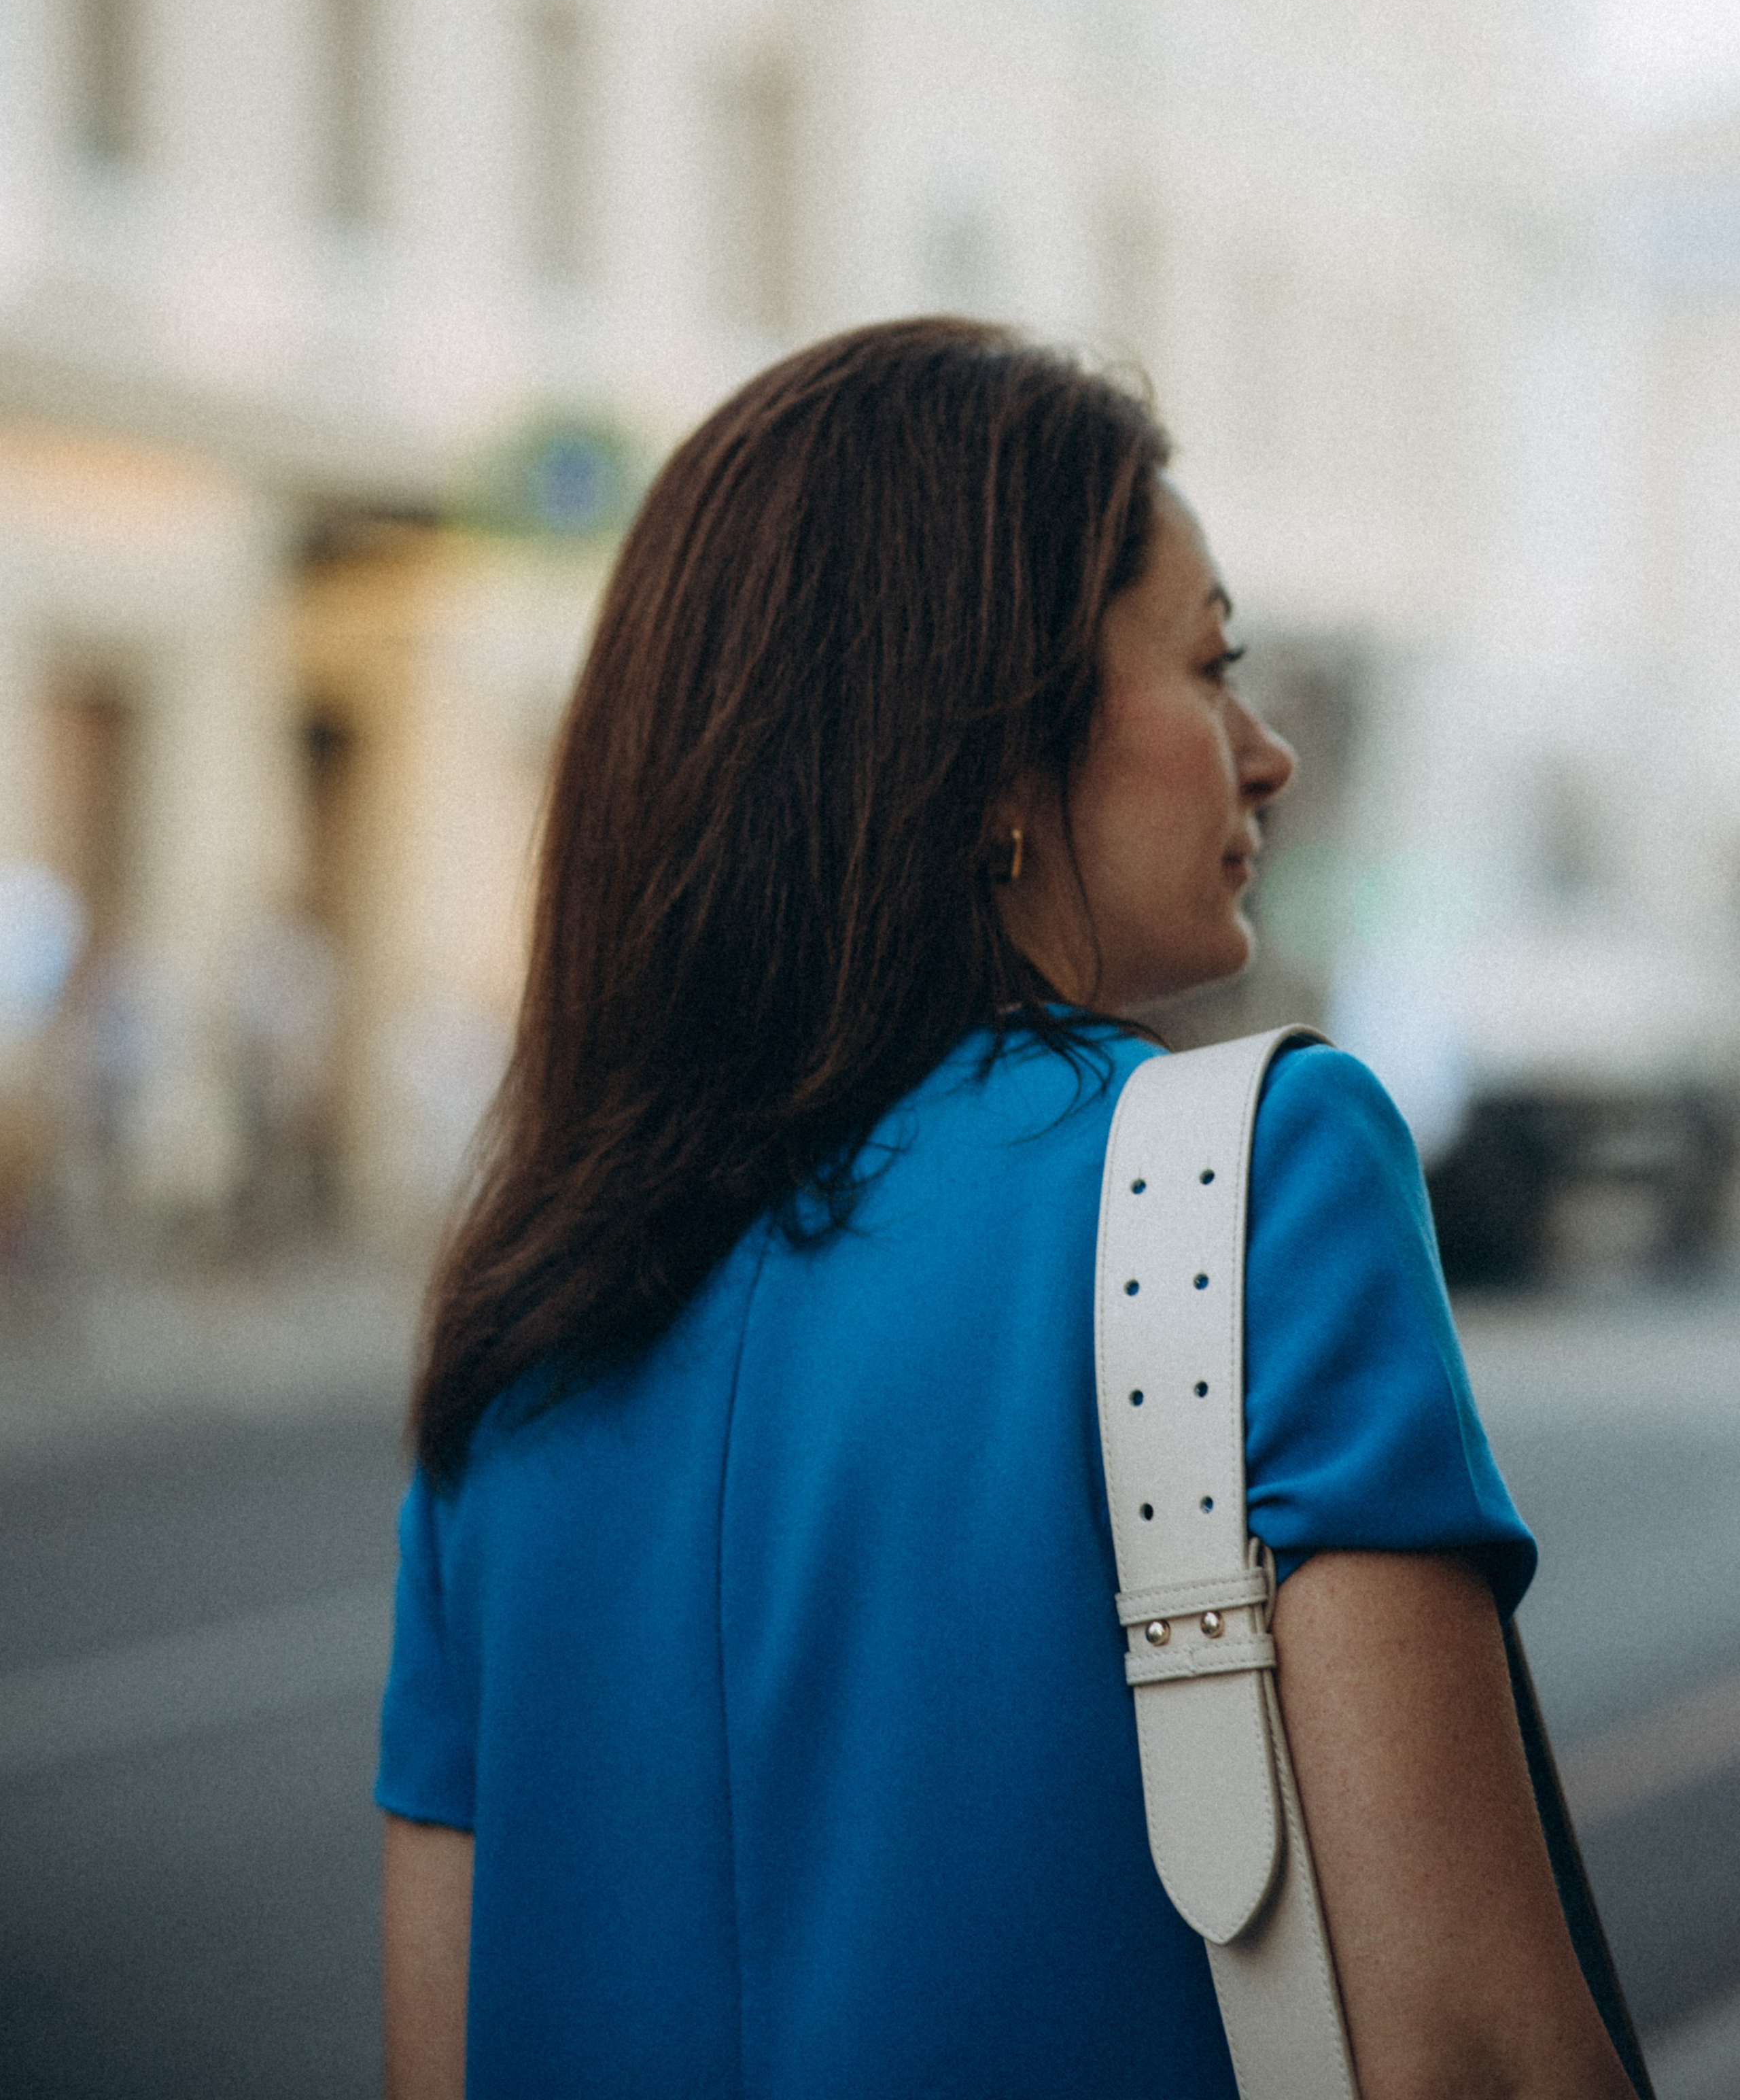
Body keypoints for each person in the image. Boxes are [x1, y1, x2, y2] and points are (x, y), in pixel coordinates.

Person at [378, 319, 1634, 2100]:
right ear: (992, 741)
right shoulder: (1263, 1168)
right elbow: (1470, 2052)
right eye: (1208, 669)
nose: (1264, 753)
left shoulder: (521, 1320)